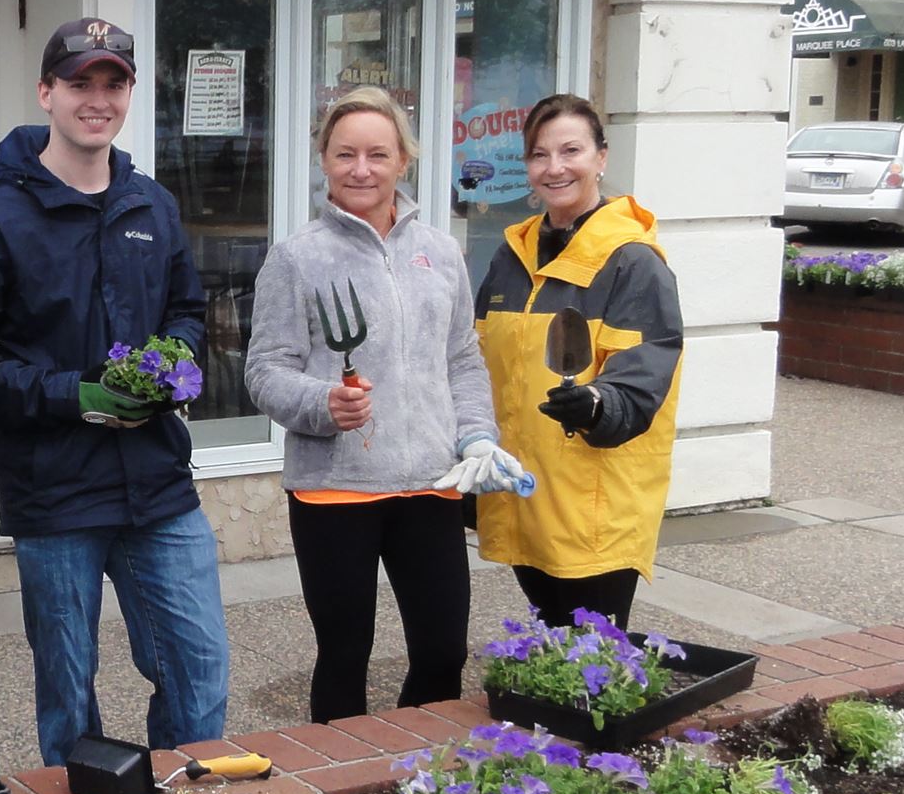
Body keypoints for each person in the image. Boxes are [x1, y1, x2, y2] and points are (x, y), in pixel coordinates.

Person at [0, 17, 231, 770]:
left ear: (130, 93)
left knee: (198, 675)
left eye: (113, 83)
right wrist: (80, 396)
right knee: (69, 696)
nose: (96, 99)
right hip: (56, 493)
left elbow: (187, 313)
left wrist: (171, 369)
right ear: (47, 92)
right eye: (79, 83)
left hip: (158, 486)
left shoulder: (152, 207)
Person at [245, 88, 528, 719]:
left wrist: (478, 437)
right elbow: (264, 371)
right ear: (324, 160)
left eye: (378, 153)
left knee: (442, 651)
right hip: (335, 489)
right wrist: (323, 403)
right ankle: (340, 789)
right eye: (345, 154)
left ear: (405, 159)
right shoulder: (297, 258)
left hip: (431, 485)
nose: (362, 169)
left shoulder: (442, 252)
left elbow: (462, 359)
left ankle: (415, 775)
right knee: (345, 654)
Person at [471, 94, 682, 632]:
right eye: (539, 155)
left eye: (571, 150)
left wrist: (593, 404)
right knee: (555, 647)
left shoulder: (632, 263)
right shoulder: (511, 258)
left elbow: (640, 380)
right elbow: (475, 361)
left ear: (601, 157)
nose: (555, 167)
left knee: (595, 666)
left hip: (595, 510)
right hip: (525, 497)